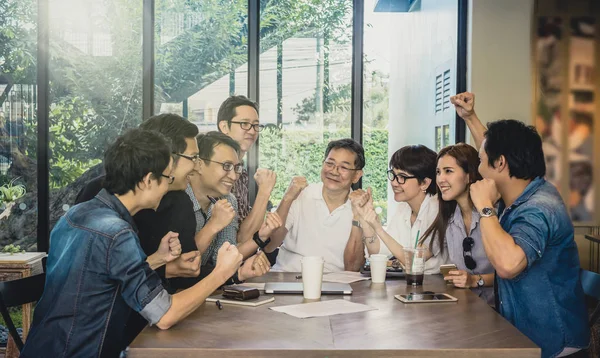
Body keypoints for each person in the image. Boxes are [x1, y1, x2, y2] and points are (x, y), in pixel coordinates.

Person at [21, 129, 258, 357]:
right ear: (147, 180)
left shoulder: (76, 214)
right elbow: (164, 314)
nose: (169, 186)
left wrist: (156, 259)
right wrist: (221, 272)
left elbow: (96, 276)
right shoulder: (117, 232)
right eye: (166, 177)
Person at [452, 91, 589, 358]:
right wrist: (470, 117)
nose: (479, 169)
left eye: (481, 162)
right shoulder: (521, 189)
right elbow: (491, 150)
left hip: (553, 343)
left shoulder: (539, 207)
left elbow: (508, 265)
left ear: (500, 163)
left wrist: (485, 208)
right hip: (523, 334)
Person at [265, 138, 366, 272]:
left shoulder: (361, 207)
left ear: (357, 175)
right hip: (288, 277)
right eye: (330, 163)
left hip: (335, 284)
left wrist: (357, 216)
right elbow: (270, 245)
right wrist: (288, 198)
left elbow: (353, 269)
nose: (334, 171)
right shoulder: (302, 194)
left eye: (343, 167)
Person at [186, 131, 282, 266]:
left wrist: (261, 236)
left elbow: (224, 257)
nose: (233, 176)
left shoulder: (228, 200)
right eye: (226, 166)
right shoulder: (178, 198)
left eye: (236, 167)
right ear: (199, 165)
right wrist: (214, 224)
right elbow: (183, 265)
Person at [355, 145, 448, 274]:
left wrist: (379, 229)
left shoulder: (437, 208)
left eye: (402, 177)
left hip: (436, 286)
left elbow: (415, 260)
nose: (394, 183)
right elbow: (378, 253)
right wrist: (365, 221)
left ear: (425, 183)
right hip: (410, 284)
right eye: (393, 175)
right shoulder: (403, 208)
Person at [423, 143, 495, 305]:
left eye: (448, 171)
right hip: (465, 307)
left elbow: (514, 272)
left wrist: (475, 280)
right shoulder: (448, 218)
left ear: (469, 175)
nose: (441, 179)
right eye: (438, 172)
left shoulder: (492, 214)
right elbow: (420, 254)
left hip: (499, 313)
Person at [217, 95, 277, 244]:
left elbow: (248, 234)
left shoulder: (243, 173)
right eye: (244, 124)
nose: (252, 131)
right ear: (224, 127)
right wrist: (264, 190)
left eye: (256, 125)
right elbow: (240, 239)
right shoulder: (215, 170)